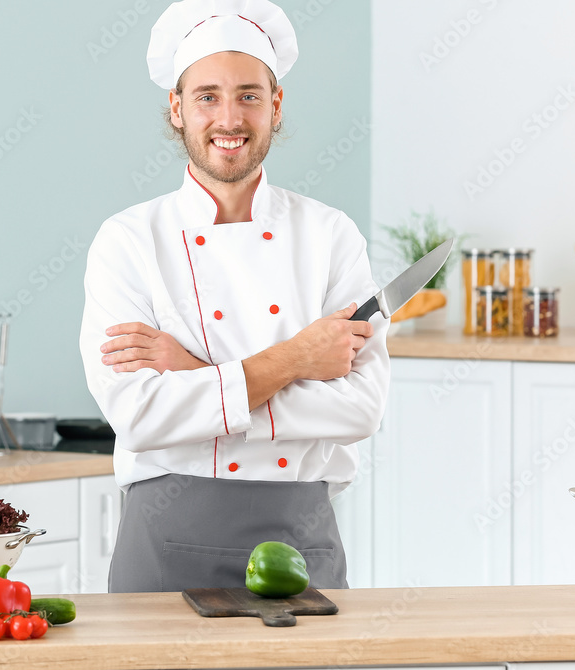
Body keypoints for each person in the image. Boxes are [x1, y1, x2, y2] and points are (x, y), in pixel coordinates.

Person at [79, 0, 390, 593]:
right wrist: (298, 359)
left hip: (301, 539)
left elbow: (361, 409)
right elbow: (138, 415)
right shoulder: (128, 240)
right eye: (207, 96)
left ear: (275, 106)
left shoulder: (330, 235)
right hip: (165, 538)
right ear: (176, 108)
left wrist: (197, 375)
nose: (230, 118)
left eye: (249, 95)